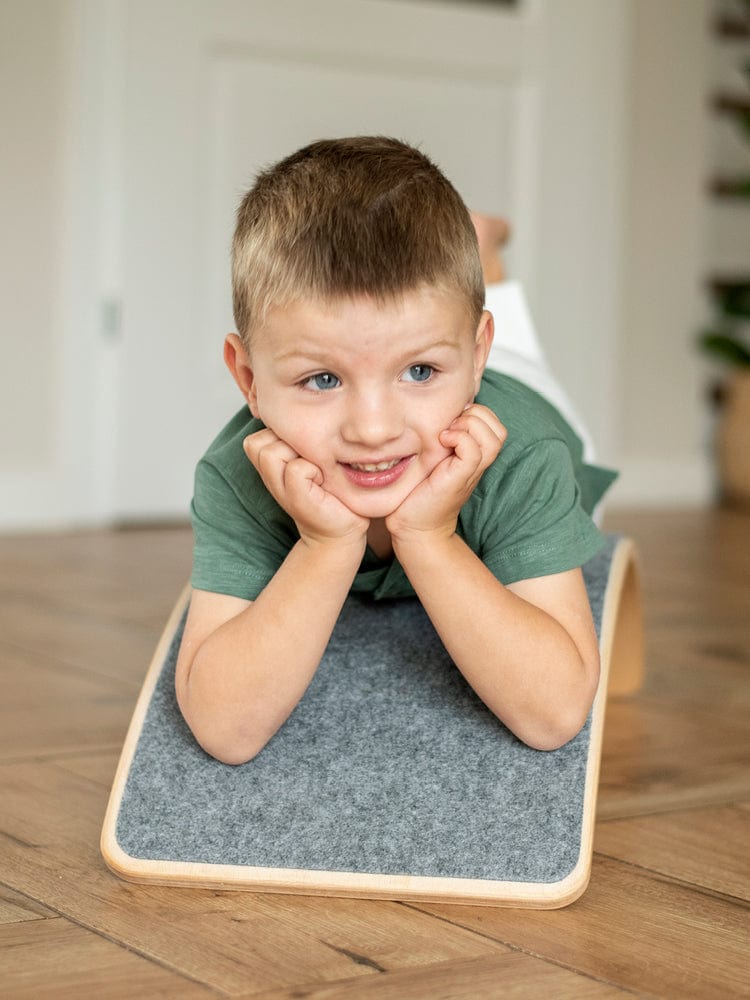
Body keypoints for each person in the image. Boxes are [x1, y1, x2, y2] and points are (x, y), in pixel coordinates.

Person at [175, 136, 617, 766]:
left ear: (474, 359)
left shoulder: (523, 457)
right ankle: (468, 270)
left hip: (523, 390)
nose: (374, 429)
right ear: (248, 379)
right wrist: (323, 546)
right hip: (456, 354)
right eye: (321, 380)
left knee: (503, 331)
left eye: (418, 372)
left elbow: (553, 715)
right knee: (433, 326)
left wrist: (430, 537)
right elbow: (225, 728)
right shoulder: (238, 472)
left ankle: (481, 251)